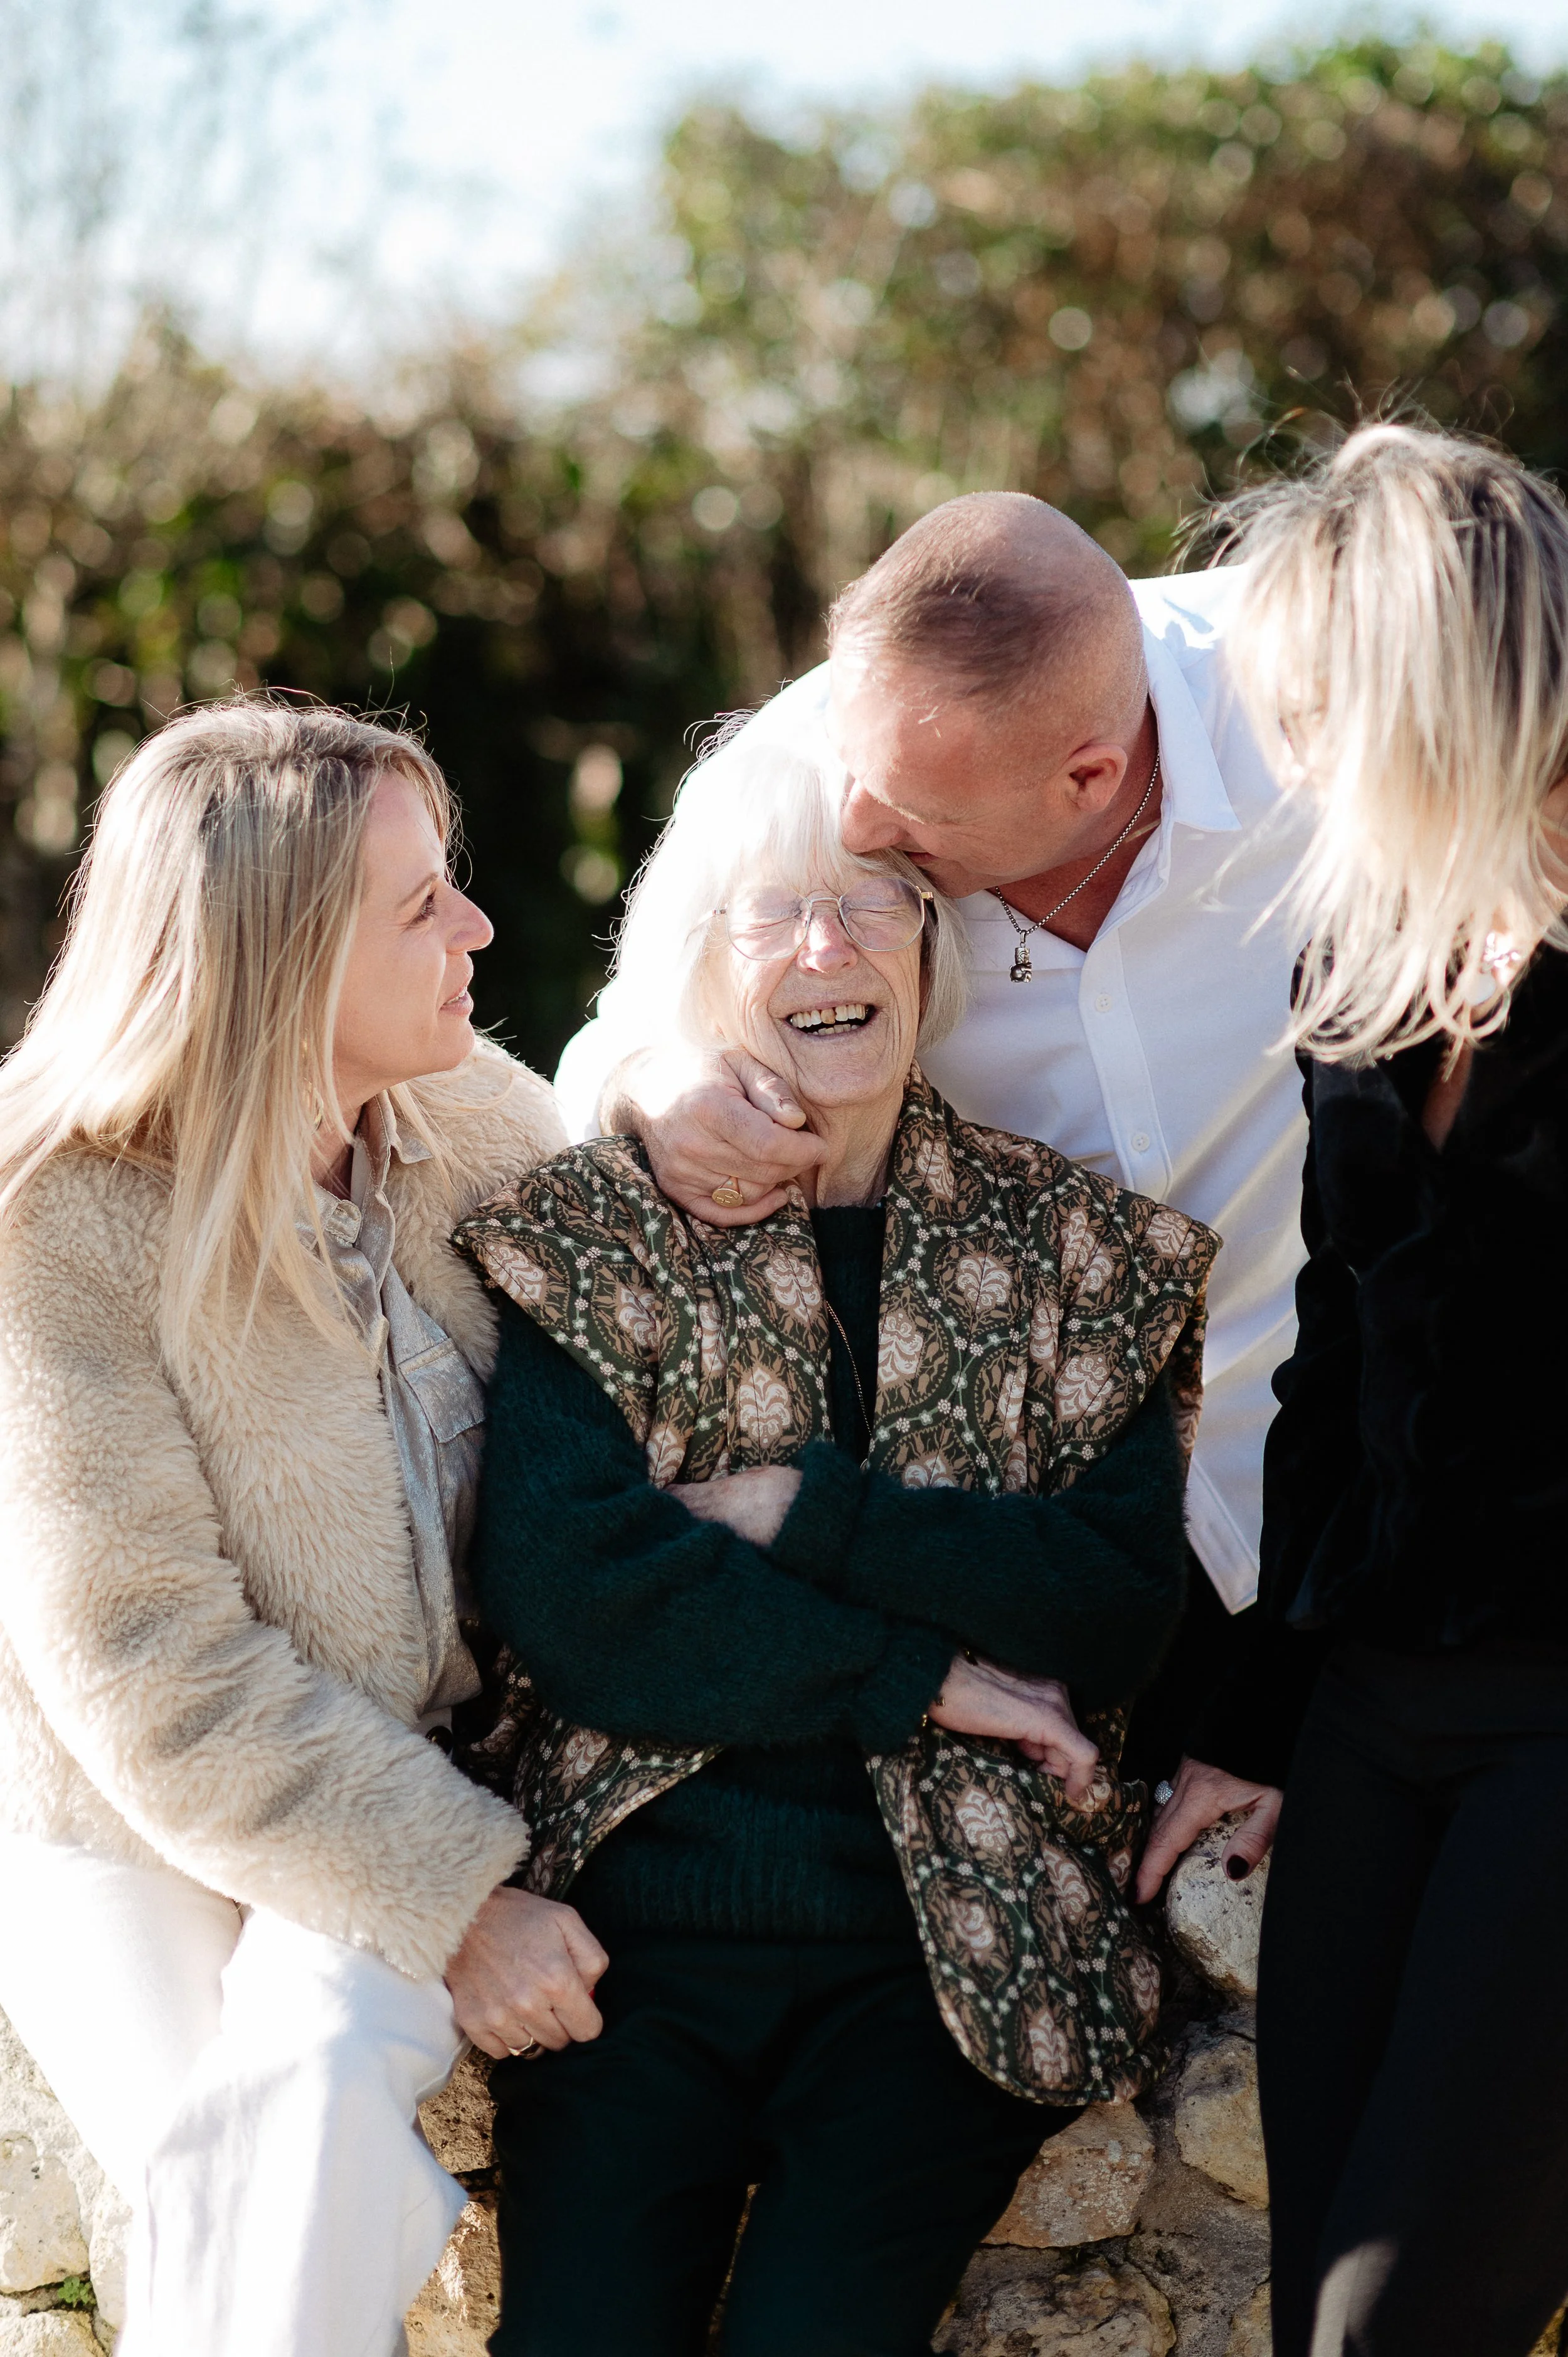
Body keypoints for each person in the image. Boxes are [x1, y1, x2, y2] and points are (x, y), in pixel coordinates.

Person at [455, 738, 1219, 2357]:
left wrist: (806, 1512)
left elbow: (1108, 1602)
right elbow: (580, 1591)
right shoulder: (595, 1229)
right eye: (778, 913)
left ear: (929, 943)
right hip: (630, 1943)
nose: (834, 947)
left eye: (875, 900)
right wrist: (914, 1671)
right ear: (699, 959)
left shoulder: (1074, 1249)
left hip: (950, 1952)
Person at [555, 490, 1315, 1898]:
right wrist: (656, 1090)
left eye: (906, 813)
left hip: (1327, 1489)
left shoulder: (1312, 713)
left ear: (1087, 778)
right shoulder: (794, 762)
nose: (852, 818)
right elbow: (609, 1044)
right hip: (1007, 1534)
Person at [0, 702, 605, 2357]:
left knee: (328, 2015)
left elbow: (654, 1363)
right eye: (421, 906)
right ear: (274, 956)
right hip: (124, 1809)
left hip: (444, 1751)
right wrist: (457, 1894)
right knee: (264, 2120)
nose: (476, 928)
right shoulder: (50, 1208)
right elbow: (146, 1663)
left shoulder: (480, 1117)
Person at [1198, 423, 1568, 2357]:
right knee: (1310, 2316)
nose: (1292, 760)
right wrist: (1255, 1708)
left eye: (1319, 712)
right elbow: (1334, 1366)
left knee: (1394, 2333)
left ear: (1441, 690)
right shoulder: (1365, 951)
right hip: (1369, 1719)